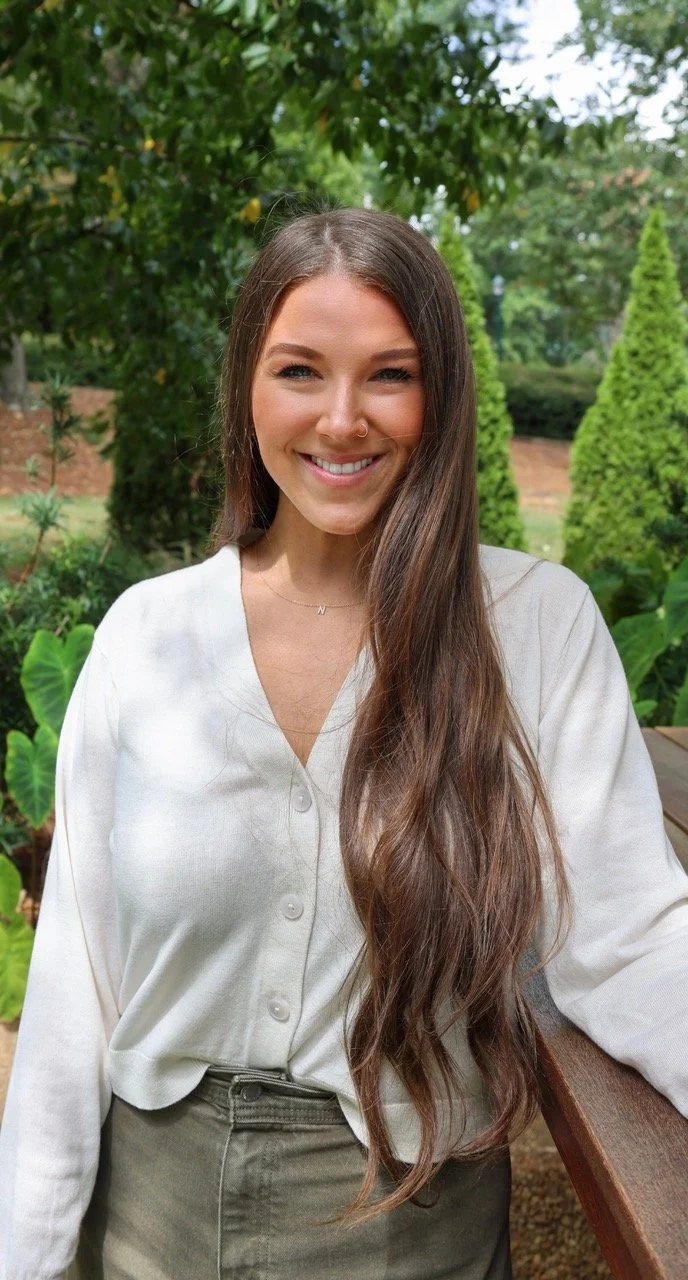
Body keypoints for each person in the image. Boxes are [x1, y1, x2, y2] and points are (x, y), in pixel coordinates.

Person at [1, 205, 687, 1280]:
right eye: (299, 370)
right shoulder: (149, 633)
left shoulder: (535, 622)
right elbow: (76, 984)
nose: (340, 419)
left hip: (409, 1221)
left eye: (389, 375)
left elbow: (633, 938)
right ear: (247, 388)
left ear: (441, 393)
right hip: (146, 1213)